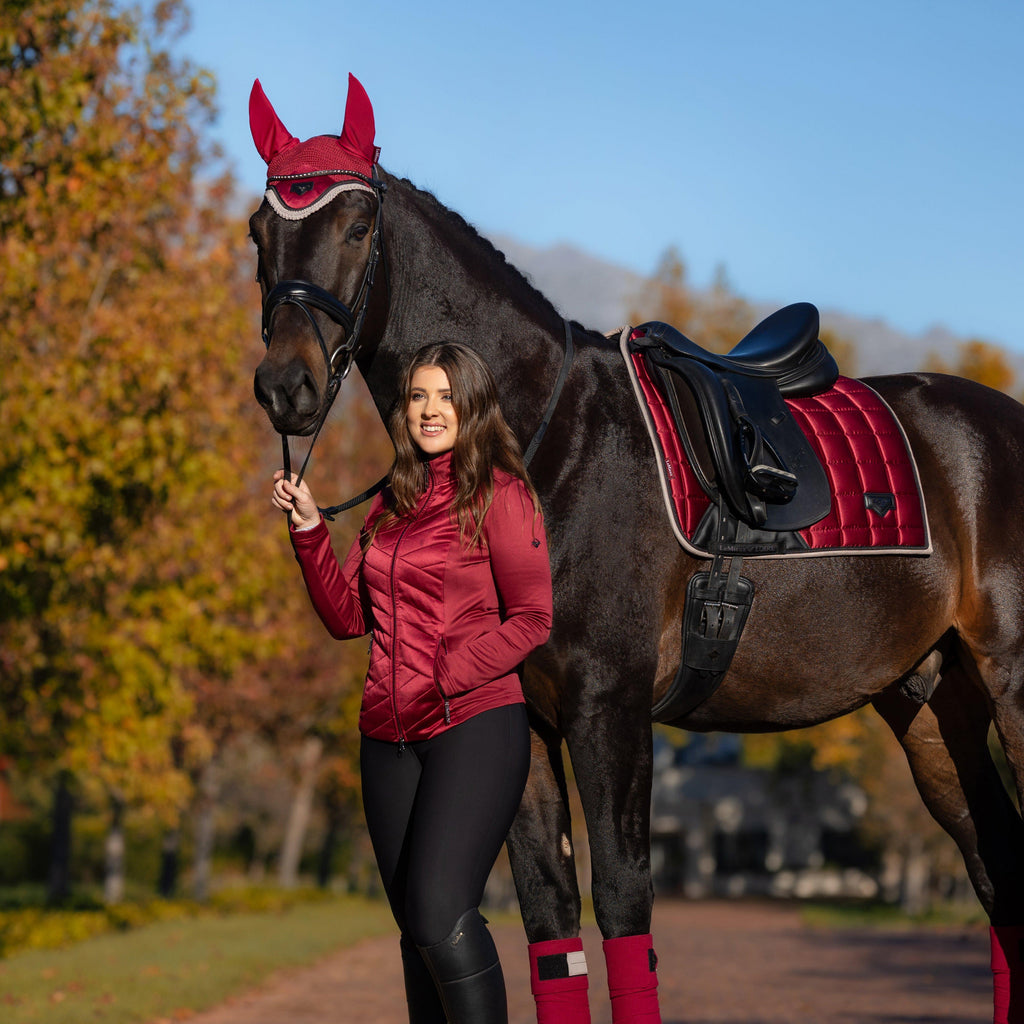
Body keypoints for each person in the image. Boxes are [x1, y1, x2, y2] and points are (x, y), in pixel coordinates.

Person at [272, 341, 552, 1024]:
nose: (430, 410)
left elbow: (534, 619)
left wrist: (448, 673)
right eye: (419, 396)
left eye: (445, 397)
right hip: (386, 736)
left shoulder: (502, 495)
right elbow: (347, 618)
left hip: (473, 723)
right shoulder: (390, 501)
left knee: (438, 912)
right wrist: (309, 531)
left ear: (472, 406)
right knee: (415, 933)